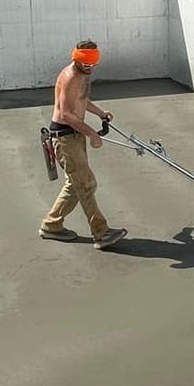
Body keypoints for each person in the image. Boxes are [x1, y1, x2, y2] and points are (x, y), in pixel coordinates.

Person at [39, 39, 127, 249]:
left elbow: (81, 100)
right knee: (85, 184)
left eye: (92, 64)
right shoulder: (70, 77)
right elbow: (66, 114)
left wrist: (100, 113)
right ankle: (101, 233)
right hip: (65, 137)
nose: (89, 67)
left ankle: (51, 225)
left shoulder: (83, 75)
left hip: (74, 135)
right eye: (85, 64)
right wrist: (92, 135)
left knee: (77, 184)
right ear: (76, 59)